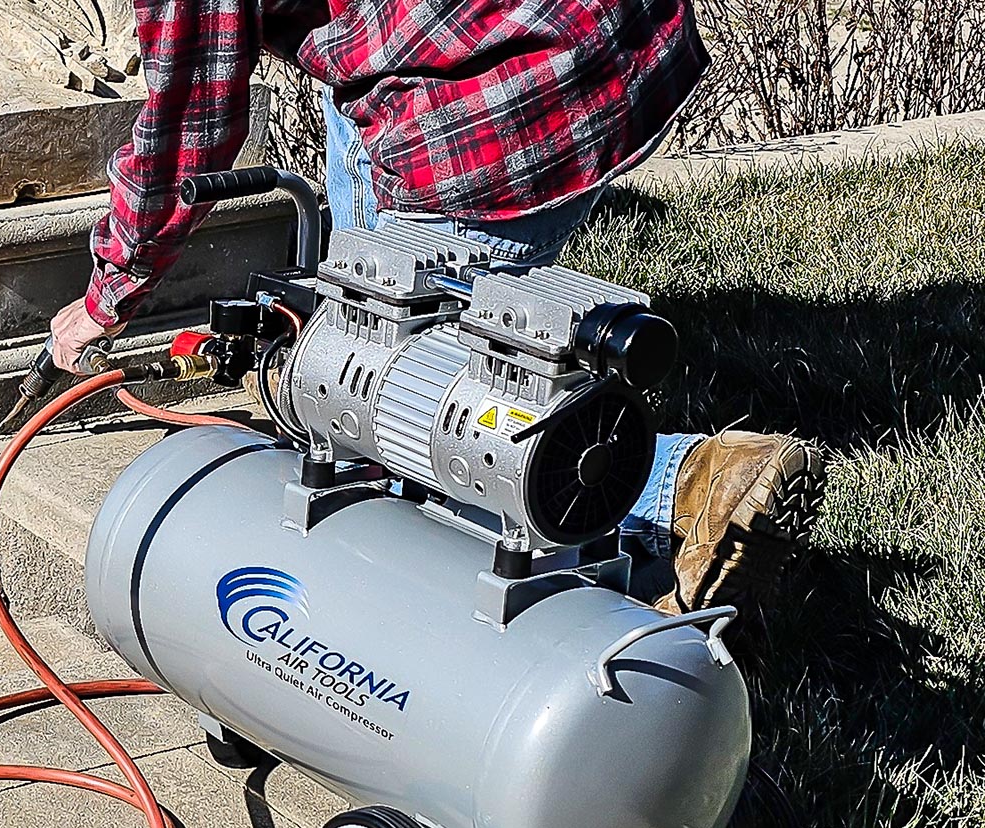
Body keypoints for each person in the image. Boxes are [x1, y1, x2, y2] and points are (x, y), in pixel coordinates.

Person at [49, 0, 825, 616]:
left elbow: (191, 116)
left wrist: (108, 292)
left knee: (393, 403)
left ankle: (685, 483)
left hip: (507, 85)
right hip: (605, 32)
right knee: (382, 337)